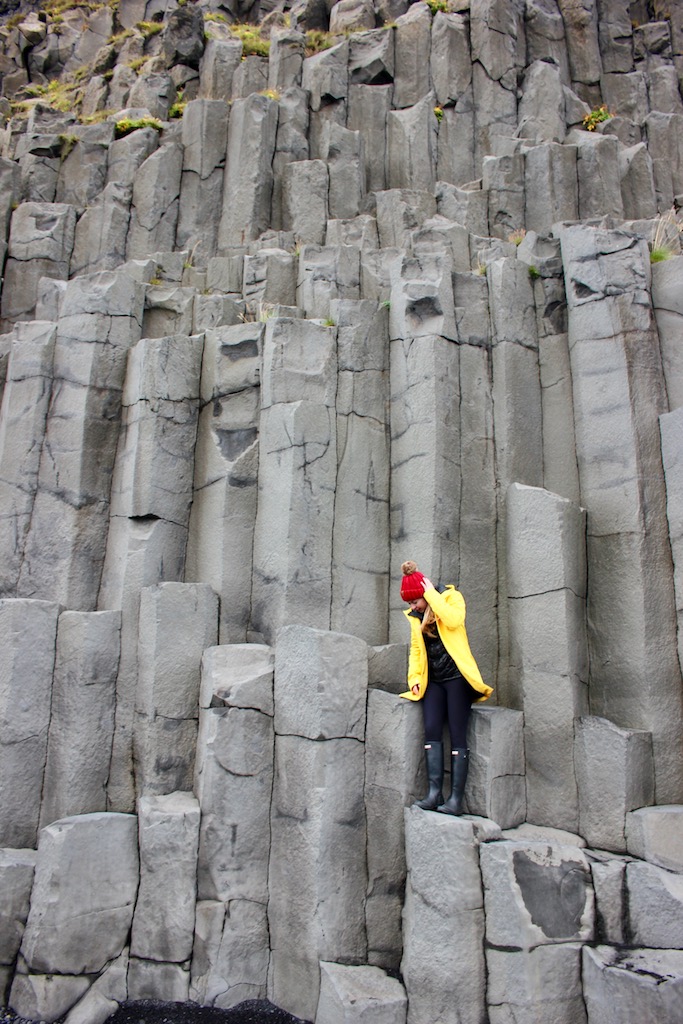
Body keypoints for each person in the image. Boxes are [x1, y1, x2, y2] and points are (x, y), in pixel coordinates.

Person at [399, 560, 493, 815]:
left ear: (425, 595)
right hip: (434, 681)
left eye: (414, 601)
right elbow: (417, 650)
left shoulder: (452, 598)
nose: (412, 607)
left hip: (457, 678)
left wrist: (431, 594)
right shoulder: (415, 616)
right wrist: (415, 679)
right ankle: (433, 793)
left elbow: (453, 621)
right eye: (409, 603)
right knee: (431, 729)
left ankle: (455, 801)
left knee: (457, 732)